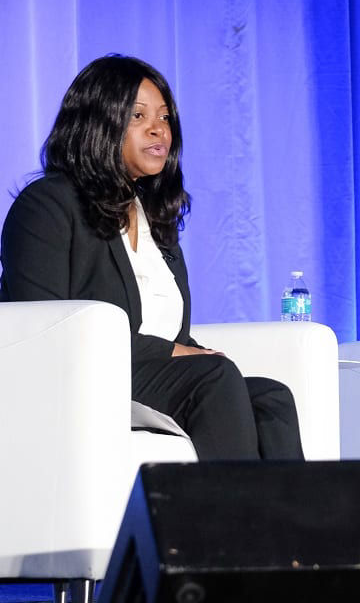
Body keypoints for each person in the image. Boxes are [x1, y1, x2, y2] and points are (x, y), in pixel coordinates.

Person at [0, 54, 303, 461]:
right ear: (99, 122)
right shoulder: (48, 205)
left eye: (164, 117)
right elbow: (41, 328)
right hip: (86, 376)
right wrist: (178, 354)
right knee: (215, 379)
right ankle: (230, 524)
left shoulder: (154, 218)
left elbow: (173, 335)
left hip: (148, 376)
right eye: (139, 116)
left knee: (271, 397)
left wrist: (188, 351)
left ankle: (290, 525)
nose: (159, 129)